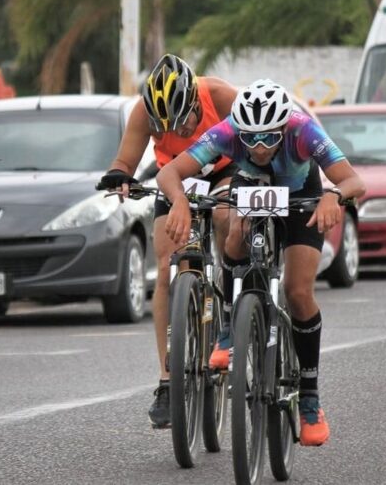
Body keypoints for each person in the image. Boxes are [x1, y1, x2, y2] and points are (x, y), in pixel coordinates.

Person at [156, 79, 366, 446]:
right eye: (250, 138)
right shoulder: (228, 131)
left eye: (269, 138)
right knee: (234, 236)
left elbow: (353, 181)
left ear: (283, 127)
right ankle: (228, 327)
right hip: (252, 187)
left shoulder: (303, 129)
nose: (259, 146)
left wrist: (333, 195)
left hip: (301, 195)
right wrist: (179, 201)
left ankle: (310, 398)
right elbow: (168, 173)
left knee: (297, 292)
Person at [97, 54, 238, 429]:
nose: (177, 130)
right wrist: (119, 176)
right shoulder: (144, 112)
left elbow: (258, 140)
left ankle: (229, 290)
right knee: (165, 268)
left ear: (194, 100)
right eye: (165, 127)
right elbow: (124, 161)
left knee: (224, 217)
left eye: (182, 121)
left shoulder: (220, 96)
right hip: (176, 178)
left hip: (225, 170)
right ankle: (167, 381)